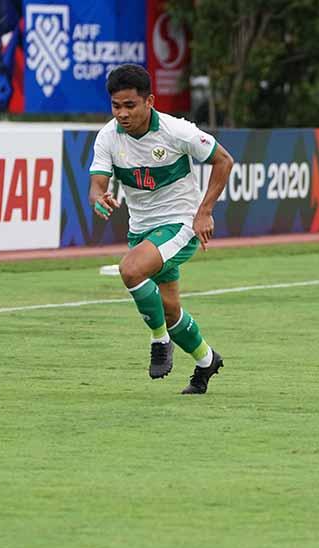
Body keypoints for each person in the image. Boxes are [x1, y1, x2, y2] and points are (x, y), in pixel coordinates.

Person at [88, 64, 234, 395]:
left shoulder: (176, 131)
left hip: (180, 224)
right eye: (116, 106)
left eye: (130, 105)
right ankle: (206, 361)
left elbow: (223, 160)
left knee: (130, 269)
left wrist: (204, 212)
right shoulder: (108, 137)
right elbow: (97, 186)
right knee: (169, 311)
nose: (122, 114)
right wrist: (99, 198)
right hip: (142, 230)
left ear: (149, 101)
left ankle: (159, 342)